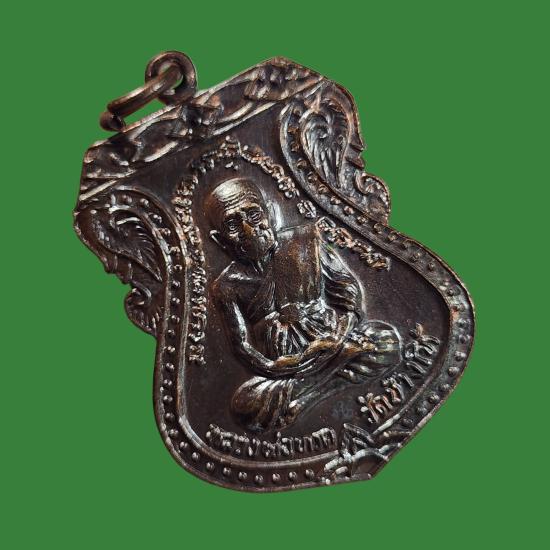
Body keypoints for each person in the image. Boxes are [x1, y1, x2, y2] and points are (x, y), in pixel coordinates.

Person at [207, 178, 401, 432]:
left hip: (332, 340)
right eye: (233, 224)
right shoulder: (226, 285)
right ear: (220, 240)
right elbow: (241, 346)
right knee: (244, 406)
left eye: (254, 215)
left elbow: (348, 293)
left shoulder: (305, 240)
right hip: (287, 368)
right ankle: (325, 378)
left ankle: (310, 394)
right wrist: (277, 366)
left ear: (270, 213)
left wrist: (339, 336)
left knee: (385, 341)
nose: (248, 230)